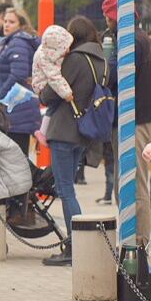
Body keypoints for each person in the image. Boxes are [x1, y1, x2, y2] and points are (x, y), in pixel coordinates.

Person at [39, 16, 107, 266]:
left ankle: (74, 246)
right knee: (68, 187)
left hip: (65, 130)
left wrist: (42, 89)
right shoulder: (100, 59)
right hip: (83, 131)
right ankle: (75, 243)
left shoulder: (76, 59)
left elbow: (51, 93)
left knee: (65, 189)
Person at [102, 0, 151, 247]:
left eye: (108, 16)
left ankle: (137, 240)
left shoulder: (132, 41)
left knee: (134, 183)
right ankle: (131, 236)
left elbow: (113, 77)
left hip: (135, 120)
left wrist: (109, 58)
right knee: (127, 182)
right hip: (133, 119)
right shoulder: (136, 38)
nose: (106, 21)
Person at [0, 7, 41, 156]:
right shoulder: (11, 42)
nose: (6, 25)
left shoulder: (18, 42)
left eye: (11, 22)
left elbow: (17, 75)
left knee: (16, 158)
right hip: (18, 106)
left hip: (16, 107)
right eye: (5, 21)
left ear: (21, 24)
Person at [31, 24, 75, 148]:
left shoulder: (49, 52)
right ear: (54, 49)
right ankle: (42, 131)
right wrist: (66, 93)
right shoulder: (44, 57)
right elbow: (54, 77)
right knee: (53, 105)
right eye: (64, 48)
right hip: (42, 84)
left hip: (45, 80)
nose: (67, 50)